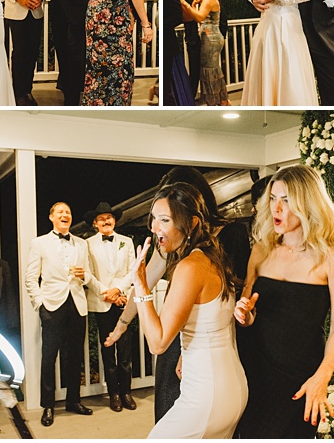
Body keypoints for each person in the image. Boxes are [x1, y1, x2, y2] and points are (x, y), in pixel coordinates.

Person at [106, 166, 250, 423]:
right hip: (176, 334)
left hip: (210, 343)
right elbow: (145, 280)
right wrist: (122, 323)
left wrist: (191, 351)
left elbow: (232, 299)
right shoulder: (172, 242)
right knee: (167, 411)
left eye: (167, 215)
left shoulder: (231, 235)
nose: (157, 226)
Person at [233, 165, 334, 437]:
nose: (276, 208)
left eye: (287, 200)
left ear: (307, 203)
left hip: (300, 378)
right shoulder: (261, 249)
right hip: (254, 372)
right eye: (273, 198)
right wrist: (245, 315)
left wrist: (322, 376)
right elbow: (248, 311)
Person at [23, 202, 95, 426]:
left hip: (77, 303)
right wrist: (40, 304)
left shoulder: (82, 244)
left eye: (68, 213)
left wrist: (84, 275)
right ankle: (48, 406)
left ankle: (73, 400)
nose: (65, 215)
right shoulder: (39, 243)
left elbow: (88, 274)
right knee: (49, 356)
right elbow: (30, 278)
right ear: (51, 217)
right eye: (61, 212)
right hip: (52, 304)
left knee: (74, 356)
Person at [83, 202, 136, 412]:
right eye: (102, 218)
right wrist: (108, 293)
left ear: (114, 220)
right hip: (102, 302)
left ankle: (127, 392)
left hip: (123, 300)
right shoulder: (87, 244)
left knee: (125, 350)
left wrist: (118, 291)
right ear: (95, 223)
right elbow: (88, 275)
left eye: (109, 217)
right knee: (108, 351)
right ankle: (114, 393)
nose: (106, 221)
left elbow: (133, 270)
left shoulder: (127, 242)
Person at [180, 0, 229, 106]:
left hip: (210, 38)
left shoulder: (209, 0)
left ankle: (213, 101)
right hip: (210, 37)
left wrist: (185, 4)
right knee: (213, 69)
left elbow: (200, 18)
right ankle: (222, 99)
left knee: (208, 70)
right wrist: (193, 5)